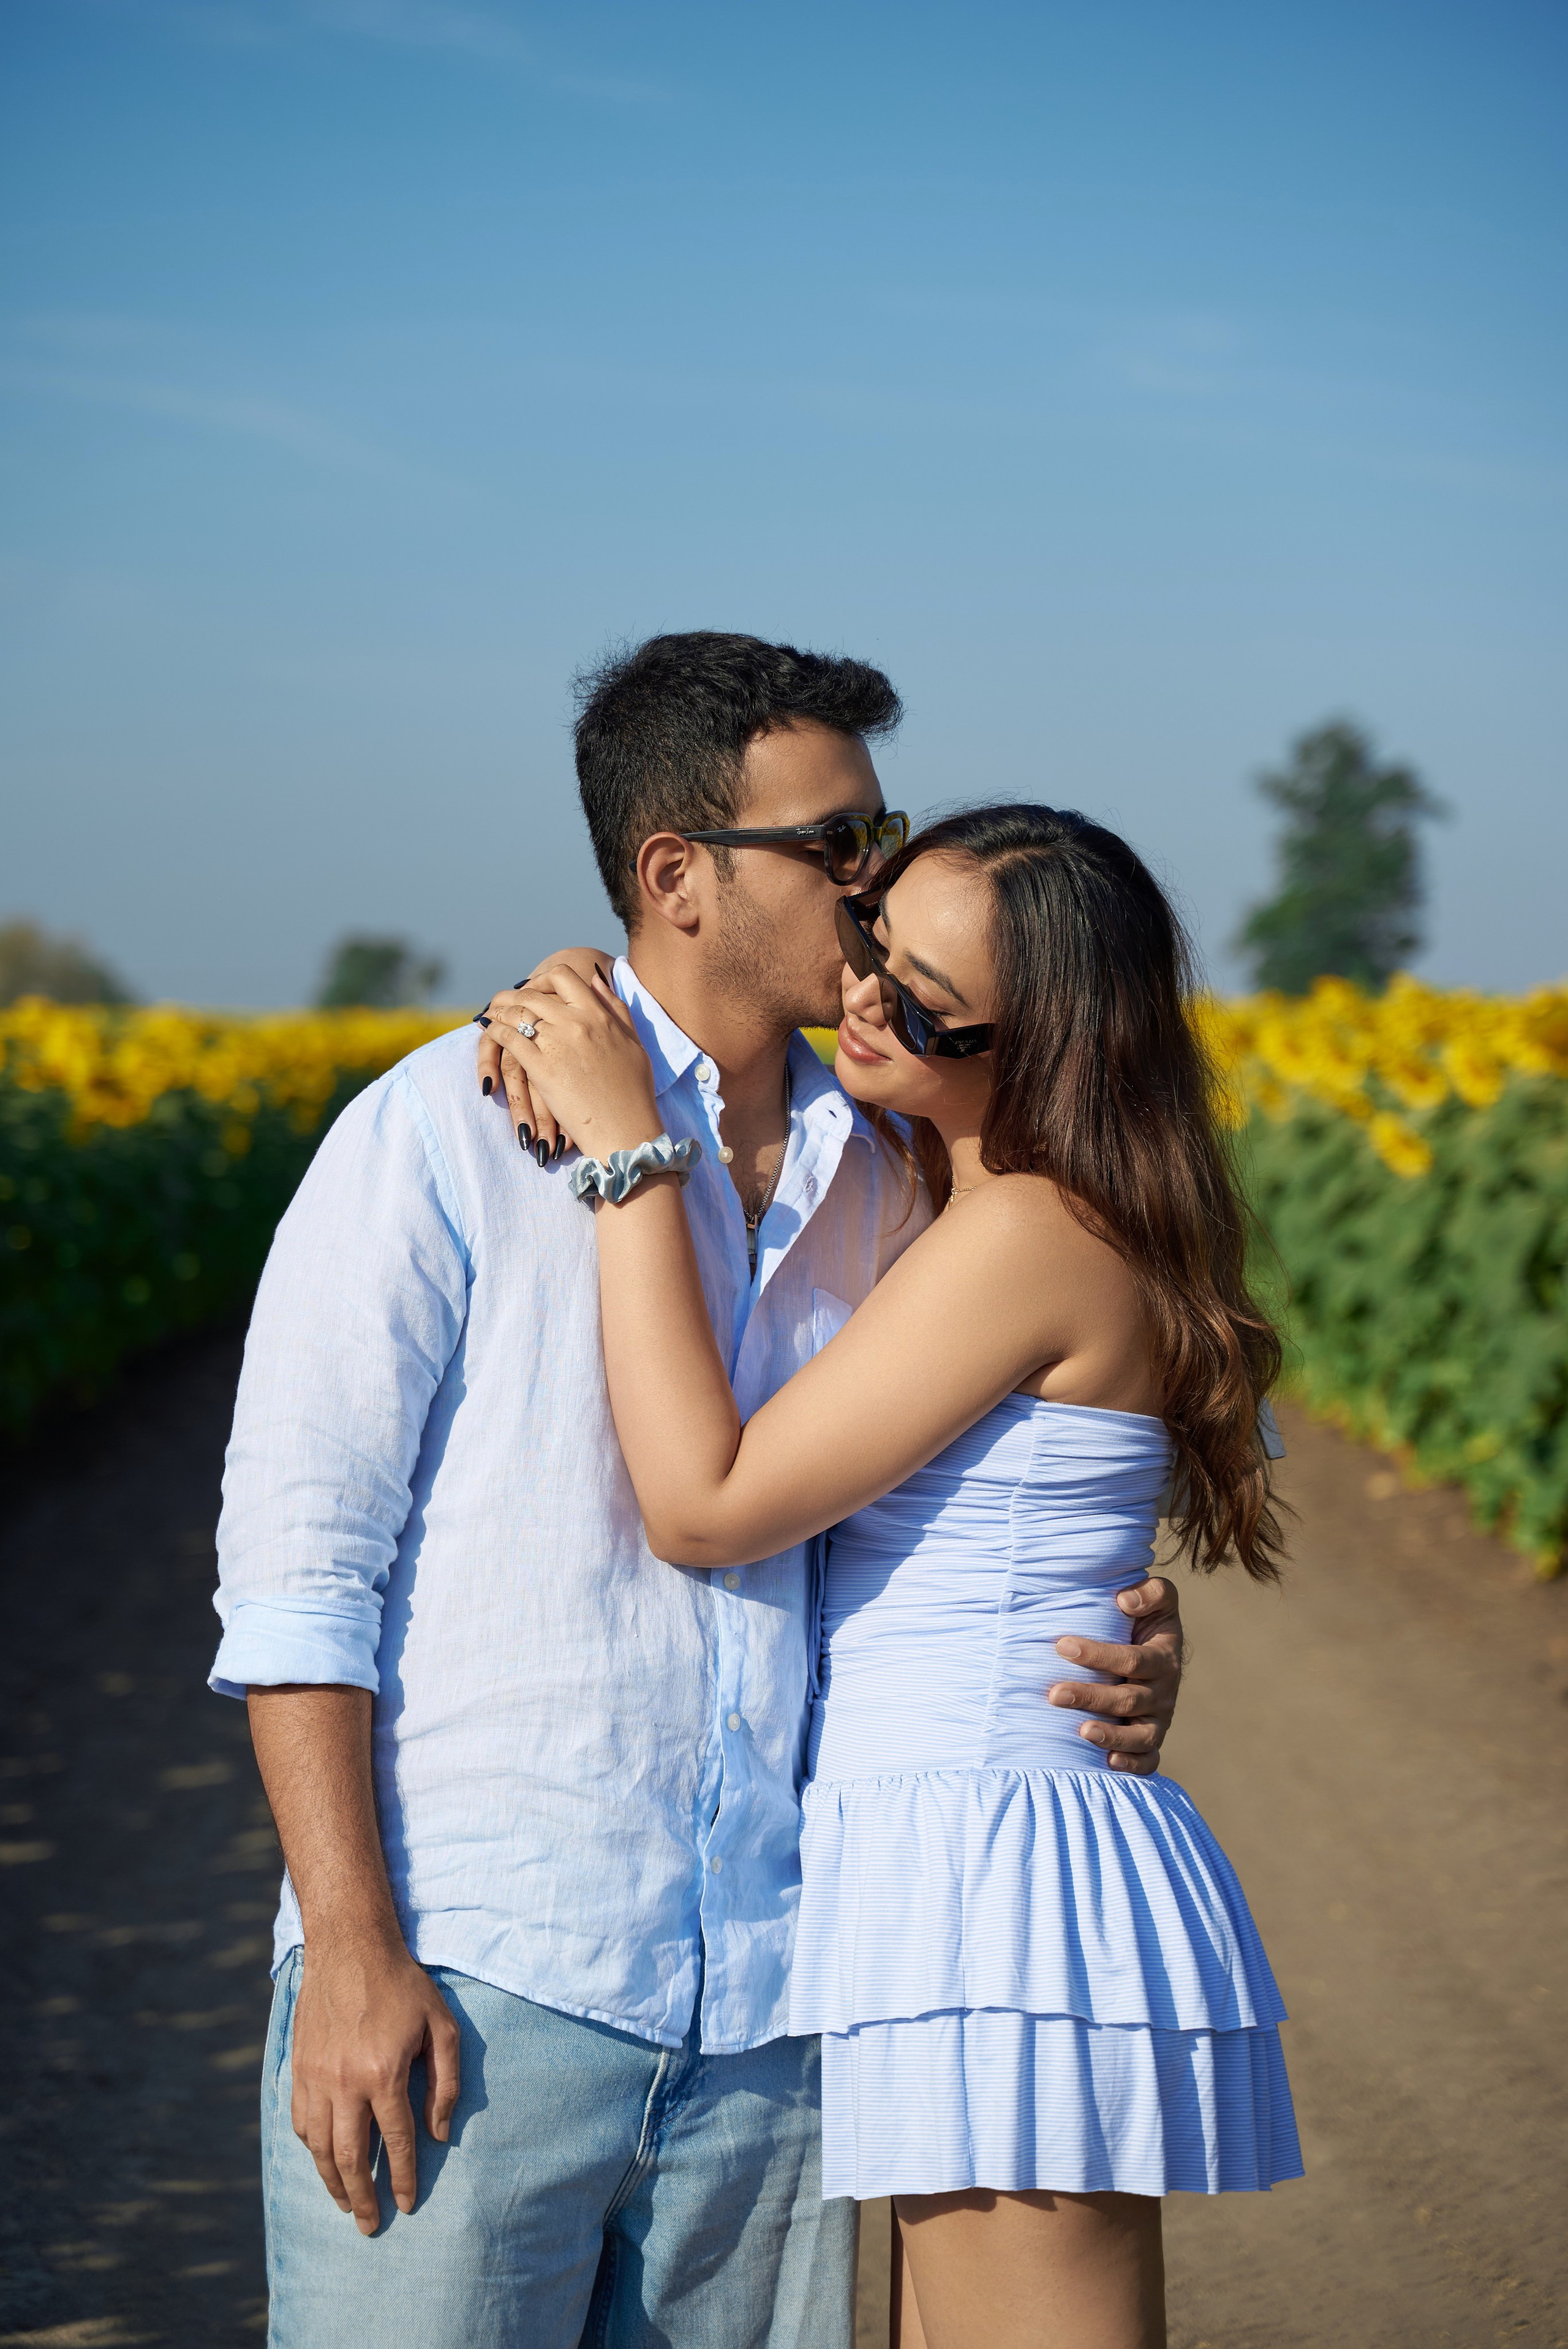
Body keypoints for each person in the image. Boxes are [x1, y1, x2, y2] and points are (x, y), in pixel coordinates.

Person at [209, 636, 1186, 2349]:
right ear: (678, 876)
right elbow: (301, 1571)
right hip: (486, 1984)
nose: (877, 886)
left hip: (779, 2023)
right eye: (842, 844)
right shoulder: (444, 1128)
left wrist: (1099, 1636)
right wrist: (353, 1951)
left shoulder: (893, 1174)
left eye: (884, 838)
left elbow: (991, 1488)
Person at [478, 801, 1303, 2349]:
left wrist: (628, 1160)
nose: (864, 995)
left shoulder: (1022, 1236)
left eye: (923, 1000)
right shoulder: (957, 1200)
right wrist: (572, 999)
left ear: (1045, 1046)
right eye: (873, 947)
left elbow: (709, 1503)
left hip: (988, 1869)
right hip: (963, 1843)